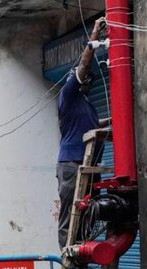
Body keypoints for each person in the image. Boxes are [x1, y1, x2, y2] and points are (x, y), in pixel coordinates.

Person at [57, 18, 105, 250]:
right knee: (70, 212)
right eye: (86, 78)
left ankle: (85, 251)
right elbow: (84, 66)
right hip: (73, 164)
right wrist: (94, 36)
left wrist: (110, 121)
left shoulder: (85, 104)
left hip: (90, 164)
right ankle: (68, 252)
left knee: (90, 210)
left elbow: (92, 124)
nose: (89, 80)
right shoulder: (69, 95)